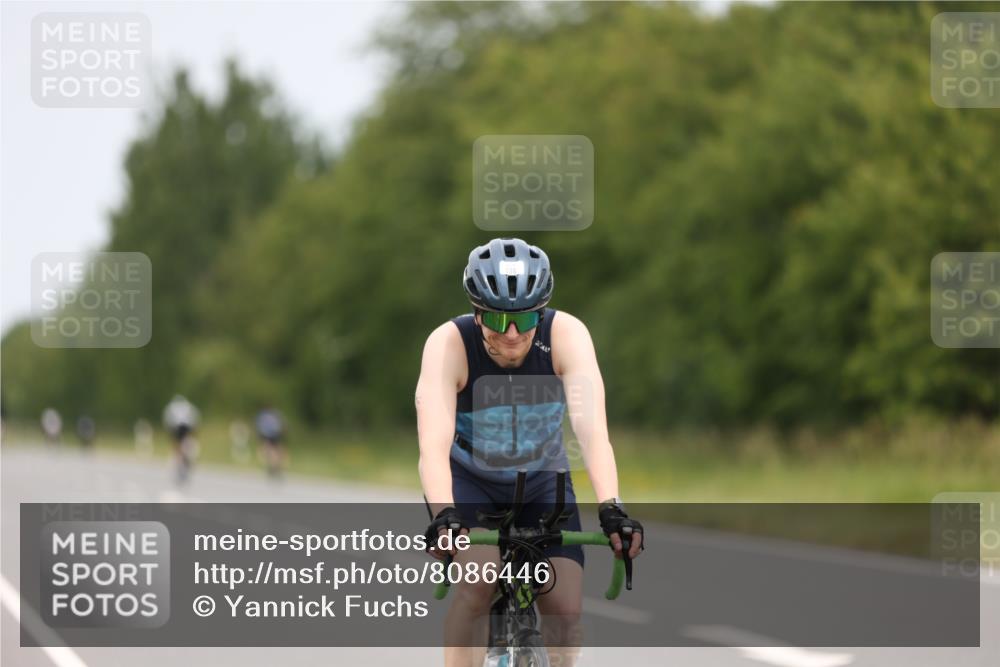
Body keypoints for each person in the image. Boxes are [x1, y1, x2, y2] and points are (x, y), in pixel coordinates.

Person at [415, 237, 644, 667]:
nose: (514, 334)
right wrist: (444, 514)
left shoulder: (567, 335)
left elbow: (593, 432)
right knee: (478, 583)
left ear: (542, 310)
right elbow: (432, 443)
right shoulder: (448, 344)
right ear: (477, 312)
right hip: (471, 481)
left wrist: (612, 507)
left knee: (566, 609)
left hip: (543, 481)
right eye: (499, 320)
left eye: (524, 317)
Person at [162, 395, 200, 483]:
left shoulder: (171, 407)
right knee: (188, 442)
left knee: (176, 444)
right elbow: (195, 419)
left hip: (176, 426)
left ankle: (180, 458)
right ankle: (187, 456)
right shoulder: (188, 406)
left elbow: (167, 422)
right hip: (187, 426)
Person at [254, 406, 287, 478]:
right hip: (276, 434)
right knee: (275, 450)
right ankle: (276, 465)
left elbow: (259, 425)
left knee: (267, 449)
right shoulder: (275, 413)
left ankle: (272, 466)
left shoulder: (263, 414)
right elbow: (282, 424)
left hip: (267, 434)